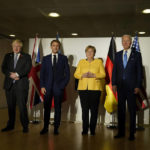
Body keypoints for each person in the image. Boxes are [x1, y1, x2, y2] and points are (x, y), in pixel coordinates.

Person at [112, 35, 142, 141]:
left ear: (130, 42)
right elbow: (114, 71)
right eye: (123, 41)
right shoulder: (118, 54)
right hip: (120, 87)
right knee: (121, 110)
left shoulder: (137, 55)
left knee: (132, 110)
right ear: (122, 42)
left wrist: (138, 85)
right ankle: (121, 132)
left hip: (132, 87)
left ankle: (132, 133)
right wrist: (114, 84)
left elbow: (139, 72)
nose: (125, 42)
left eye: (127, 40)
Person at [40, 40, 70, 135]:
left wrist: (62, 85)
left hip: (58, 88)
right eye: (53, 45)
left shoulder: (63, 58)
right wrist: (42, 86)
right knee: (47, 108)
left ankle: (56, 128)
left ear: (59, 47)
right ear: (51, 47)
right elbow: (42, 74)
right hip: (47, 88)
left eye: (57, 46)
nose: (55, 47)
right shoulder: (45, 58)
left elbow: (68, 74)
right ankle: (45, 128)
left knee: (58, 109)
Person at [1, 39, 32, 133]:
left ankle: (25, 126)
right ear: (12, 46)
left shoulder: (26, 56)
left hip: (21, 86)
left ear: (21, 47)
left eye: (18, 46)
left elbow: (28, 68)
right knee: (10, 106)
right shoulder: (8, 56)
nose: (16, 48)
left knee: (22, 107)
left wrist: (18, 74)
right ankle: (10, 125)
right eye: (14, 46)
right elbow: (3, 68)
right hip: (9, 85)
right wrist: (10, 75)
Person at [74, 45, 106, 135]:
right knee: (84, 110)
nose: (89, 53)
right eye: (88, 51)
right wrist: (82, 75)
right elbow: (76, 74)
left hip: (95, 89)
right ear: (85, 52)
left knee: (94, 110)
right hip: (83, 89)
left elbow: (103, 74)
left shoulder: (99, 62)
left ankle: (92, 130)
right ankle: (84, 129)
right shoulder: (81, 62)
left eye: (91, 51)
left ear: (94, 53)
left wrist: (94, 75)